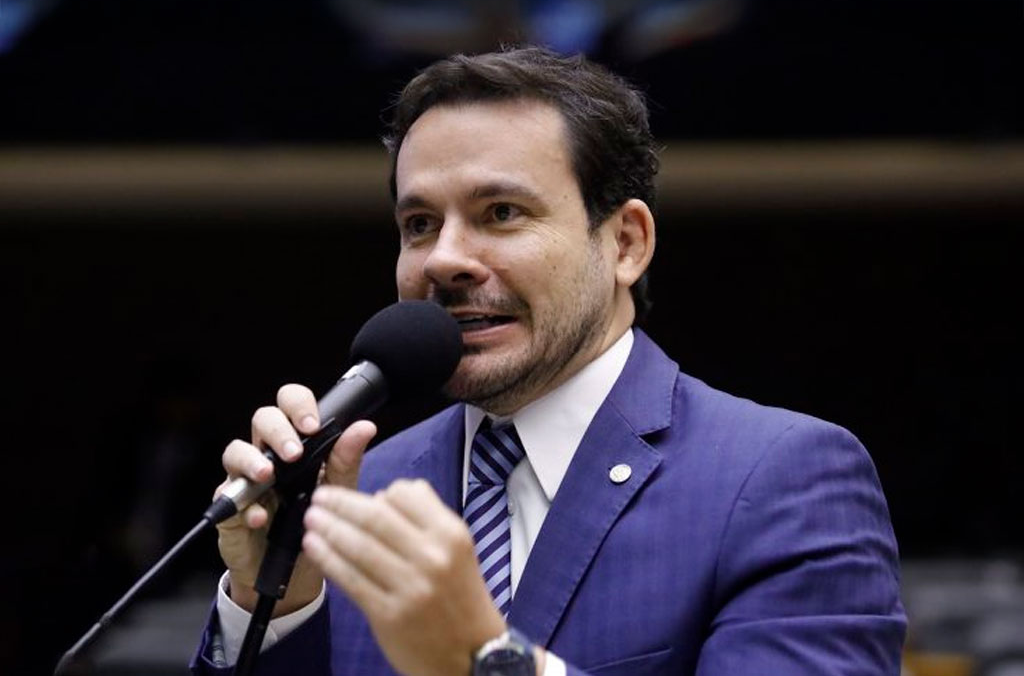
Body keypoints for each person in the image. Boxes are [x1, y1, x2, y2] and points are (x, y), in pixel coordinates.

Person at [192, 46, 906, 676]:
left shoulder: (780, 478)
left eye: (501, 212)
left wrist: (488, 660)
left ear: (625, 242)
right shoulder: (350, 497)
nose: (444, 259)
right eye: (419, 224)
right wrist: (274, 602)